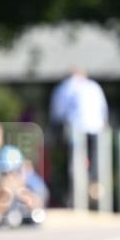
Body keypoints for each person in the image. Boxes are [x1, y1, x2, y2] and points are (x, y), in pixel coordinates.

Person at [49, 68, 109, 205]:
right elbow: (103, 110)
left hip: (76, 129)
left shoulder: (65, 87)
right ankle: (93, 186)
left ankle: (75, 194)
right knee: (93, 162)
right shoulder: (94, 86)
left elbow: (58, 112)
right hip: (95, 129)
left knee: (74, 162)